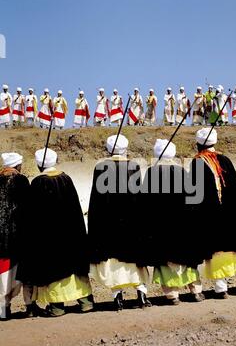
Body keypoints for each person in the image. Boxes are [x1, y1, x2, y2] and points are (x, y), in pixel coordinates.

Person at [17, 148, 94, 317]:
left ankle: (57, 307)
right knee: (75, 273)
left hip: (50, 240)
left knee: (55, 272)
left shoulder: (38, 183)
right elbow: (76, 210)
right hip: (71, 235)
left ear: (39, 165)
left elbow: (33, 216)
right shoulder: (66, 178)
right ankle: (85, 302)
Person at [189, 128, 236, 299]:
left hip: (211, 216)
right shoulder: (225, 160)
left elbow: (194, 194)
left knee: (217, 250)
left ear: (198, 144)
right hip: (232, 214)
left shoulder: (197, 163)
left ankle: (221, 288)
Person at [88, 135, 151, 311]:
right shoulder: (134, 166)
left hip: (109, 224)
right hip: (131, 223)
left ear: (109, 149)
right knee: (134, 260)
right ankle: (141, 294)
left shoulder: (100, 167)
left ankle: (117, 297)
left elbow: (96, 200)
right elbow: (139, 197)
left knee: (114, 262)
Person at [142, 139, 204, 305]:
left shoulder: (151, 173)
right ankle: (196, 291)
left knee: (166, 261)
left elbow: (145, 203)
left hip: (161, 227)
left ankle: (173, 295)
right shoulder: (183, 172)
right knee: (187, 260)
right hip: (183, 226)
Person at [0, 153, 36, 320]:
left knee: (3, 273)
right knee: (25, 273)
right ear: (18, 166)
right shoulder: (21, 181)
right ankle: (30, 306)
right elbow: (29, 209)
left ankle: (3, 309)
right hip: (20, 235)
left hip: (1, 238)